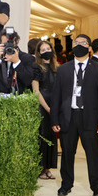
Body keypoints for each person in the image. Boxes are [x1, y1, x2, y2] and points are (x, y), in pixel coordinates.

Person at [51, 34, 98, 196]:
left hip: (90, 118)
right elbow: (56, 96)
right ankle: (66, 185)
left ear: (89, 48)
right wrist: (54, 119)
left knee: (93, 154)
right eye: (76, 42)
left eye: (83, 43)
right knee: (67, 154)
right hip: (68, 117)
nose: (78, 45)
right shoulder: (63, 69)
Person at [32, 40, 58, 180]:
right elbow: (36, 91)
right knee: (42, 136)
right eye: (43, 49)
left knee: (52, 136)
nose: (46, 51)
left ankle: (48, 168)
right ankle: (41, 168)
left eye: (48, 48)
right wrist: (47, 108)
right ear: (39, 53)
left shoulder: (56, 68)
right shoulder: (36, 67)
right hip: (42, 106)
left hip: (54, 105)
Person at [0, 28, 32, 94]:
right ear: (0, 44)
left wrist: (17, 62)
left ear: (17, 43)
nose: (8, 47)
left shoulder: (26, 58)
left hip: (18, 99)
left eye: (10, 43)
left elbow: (28, 82)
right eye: (5, 44)